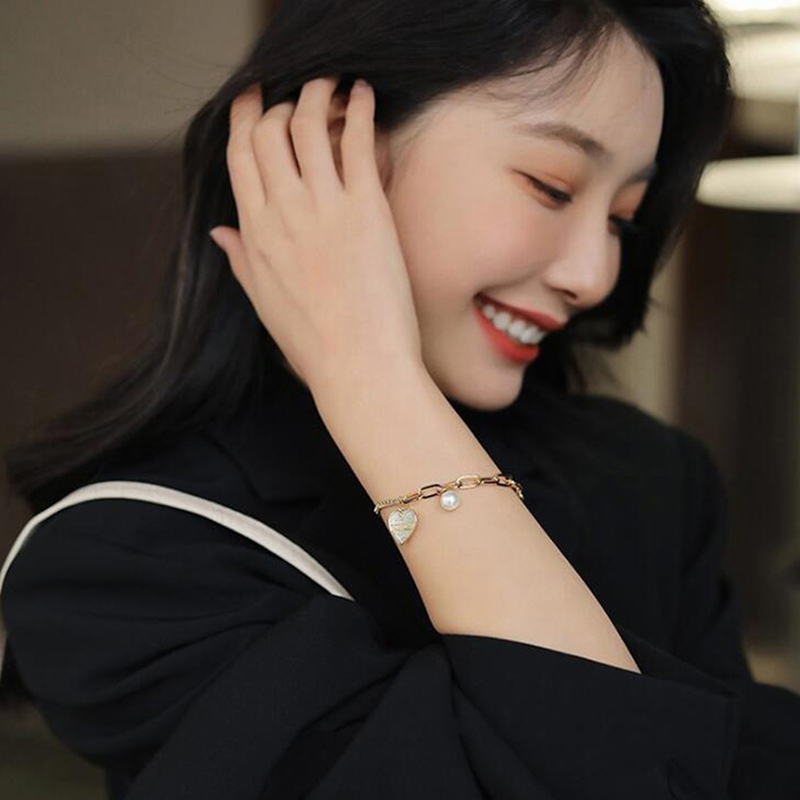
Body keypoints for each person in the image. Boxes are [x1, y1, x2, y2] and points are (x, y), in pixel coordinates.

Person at [2, 1, 799, 798]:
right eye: (551, 186)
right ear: (328, 146)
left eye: (623, 219)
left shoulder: (652, 478)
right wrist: (369, 375)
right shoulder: (127, 563)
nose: (593, 275)